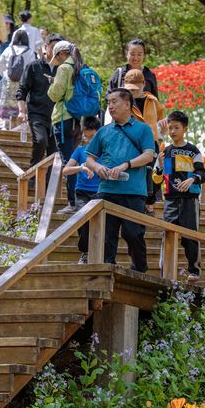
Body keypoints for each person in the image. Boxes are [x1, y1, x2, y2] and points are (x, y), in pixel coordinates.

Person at [82, 88, 156, 270]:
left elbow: (149, 155)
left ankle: (139, 269)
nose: (110, 107)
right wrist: (97, 167)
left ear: (127, 104)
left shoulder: (143, 128)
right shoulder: (103, 131)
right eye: (108, 103)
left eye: (114, 102)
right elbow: (89, 159)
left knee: (133, 233)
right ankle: (107, 269)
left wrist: (126, 165)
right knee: (106, 235)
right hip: (107, 190)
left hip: (134, 191)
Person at [153, 110, 205, 280]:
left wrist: (192, 180)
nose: (172, 131)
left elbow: (202, 173)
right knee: (168, 234)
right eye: (170, 128)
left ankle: (194, 270)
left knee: (190, 235)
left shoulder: (193, 151)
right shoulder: (165, 152)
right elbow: (156, 179)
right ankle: (165, 271)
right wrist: (160, 167)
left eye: (176, 127)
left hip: (190, 200)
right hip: (170, 199)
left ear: (185, 129)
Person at [17, 33, 61, 172]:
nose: (56, 51)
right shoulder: (34, 66)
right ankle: (32, 175)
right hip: (37, 114)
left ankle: (47, 183)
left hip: (57, 116)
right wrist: (21, 111)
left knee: (54, 153)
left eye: (59, 48)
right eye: (53, 47)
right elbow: (22, 90)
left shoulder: (64, 70)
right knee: (41, 141)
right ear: (45, 47)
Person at [48, 40, 83, 212]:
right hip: (78, 119)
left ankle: (73, 202)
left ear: (62, 53)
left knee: (68, 161)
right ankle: (80, 198)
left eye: (58, 57)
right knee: (76, 158)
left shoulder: (64, 68)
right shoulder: (81, 67)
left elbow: (55, 95)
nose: (58, 61)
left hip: (63, 118)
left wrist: (51, 85)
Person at [124, 68, 167, 210]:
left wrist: (162, 134)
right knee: (134, 175)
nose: (132, 92)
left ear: (143, 84)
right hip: (131, 144)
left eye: (135, 89)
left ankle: (149, 205)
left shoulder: (153, 101)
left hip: (151, 143)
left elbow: (161, 122)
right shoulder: (123, 101)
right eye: (130, 89)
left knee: (152, 176)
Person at [62, 115, 102, 262]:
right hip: (82, 192)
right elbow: (66, 170)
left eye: (93, 137)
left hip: (100, 192)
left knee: (101, 223)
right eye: (87, 136)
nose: (89, 140)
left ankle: (100, 253)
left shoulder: (105, 151)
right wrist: (81, 167)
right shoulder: (80, 151)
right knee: (83, 220)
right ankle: (85, 252)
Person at [0, 29, 34, 128]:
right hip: (23, 82)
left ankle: (5, 127)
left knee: (6, 105)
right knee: (21, 105)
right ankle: (20, 129)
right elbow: (32, 68)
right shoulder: (30, 52)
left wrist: (5, 74)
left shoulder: (9, 50)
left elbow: (0, 64)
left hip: (8, 81)